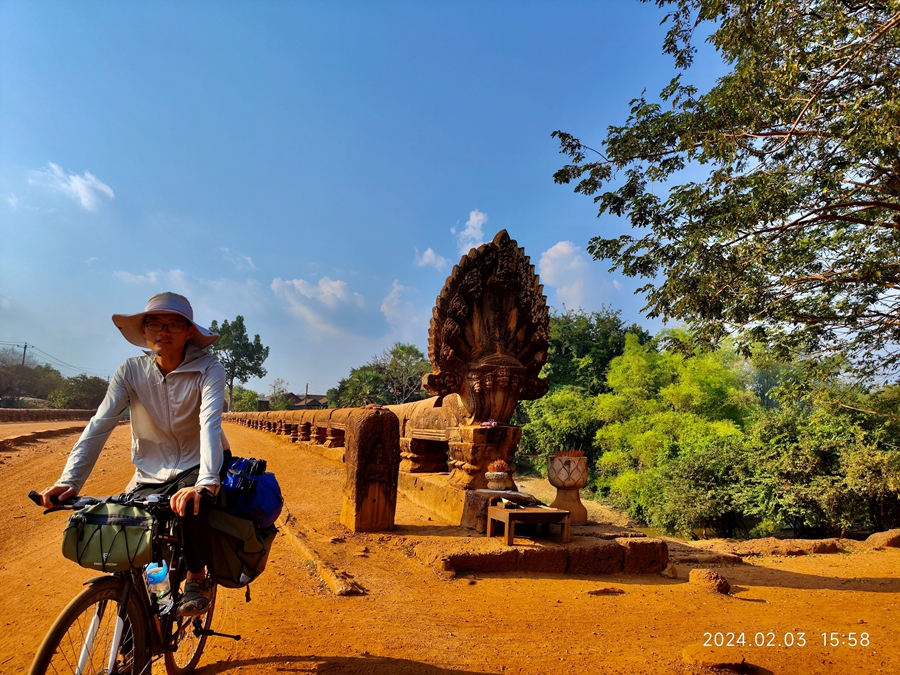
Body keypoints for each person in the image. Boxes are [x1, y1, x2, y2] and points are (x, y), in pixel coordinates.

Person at [39, 292, 228, 616]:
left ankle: (197, 579)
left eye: (173, 325)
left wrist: (206, 481)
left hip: (198, 462)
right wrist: (69, 481)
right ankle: (142, 628)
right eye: (154, 323)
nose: (163, 332)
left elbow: (208, 423)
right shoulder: (130, 371)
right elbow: (100, 424)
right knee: (132, 536)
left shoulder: (208, 369)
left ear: (188, 333)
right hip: (150, 469)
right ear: (144, 331)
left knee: (190, 507)